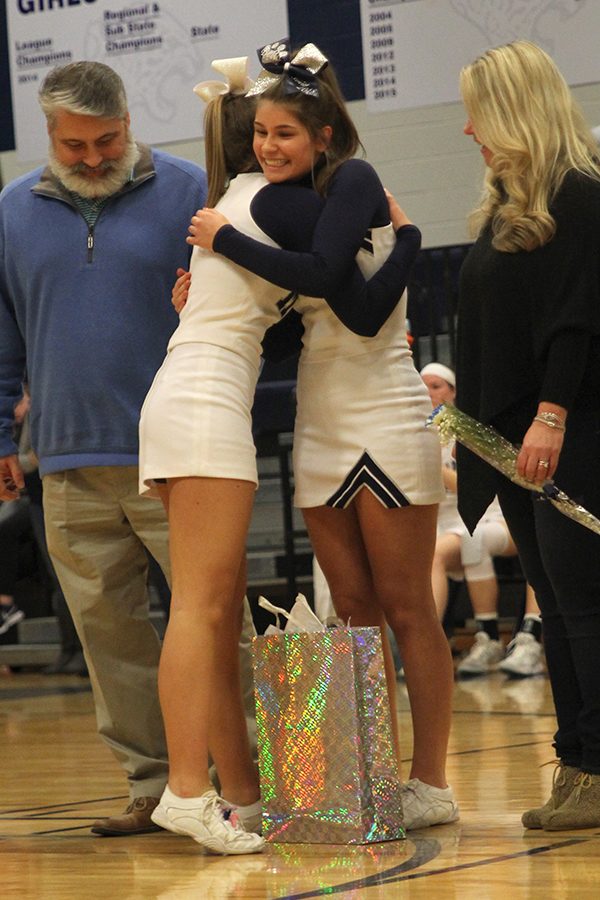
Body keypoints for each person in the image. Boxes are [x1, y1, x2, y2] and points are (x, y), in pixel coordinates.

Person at [139, 51, 422, 852]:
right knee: (199, 610)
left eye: (284, 132)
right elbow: (345, 285)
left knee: (216, 611)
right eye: (262, 132)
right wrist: (406, 239)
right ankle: (188, 793)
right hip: (203, 407)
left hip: (189, 397)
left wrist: (215, 258)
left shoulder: (233, 203)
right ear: (248, 137)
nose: (271, 145)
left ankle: (244, 795)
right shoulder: (276, 206)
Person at [0, 60, 258, 837]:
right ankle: (155, 787)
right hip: (67, 460)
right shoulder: (11, 210)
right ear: (49, 133)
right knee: (106, 634)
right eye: (74, 145)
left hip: (181, 456)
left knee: (217, 622)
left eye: (105, 140)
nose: (90, 157)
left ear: (127, 124)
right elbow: (3, 338)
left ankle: (245, 777)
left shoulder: (189, 191)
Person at [456, 40, 600, 830]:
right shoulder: (507, 206)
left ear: (511, 109)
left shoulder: (581, 193)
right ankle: (576, 764)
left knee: (584, 607)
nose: (469, 130)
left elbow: (578, 317)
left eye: (476, 111)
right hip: (514, 441)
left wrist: (552, 412)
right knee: (559, 605)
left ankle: (596, 764)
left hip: (568, 431)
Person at [421, 362, 545, 679]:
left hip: (496, 516)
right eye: (423, 385)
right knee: (435, 551)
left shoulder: (467, 429)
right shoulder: (419, 432)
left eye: (436, 385)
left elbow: (474, 488)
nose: (429, 392)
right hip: (447, 525)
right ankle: (440, 644)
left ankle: (528, 638)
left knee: (477, 536)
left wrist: (434, 469)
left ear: (453, 392)